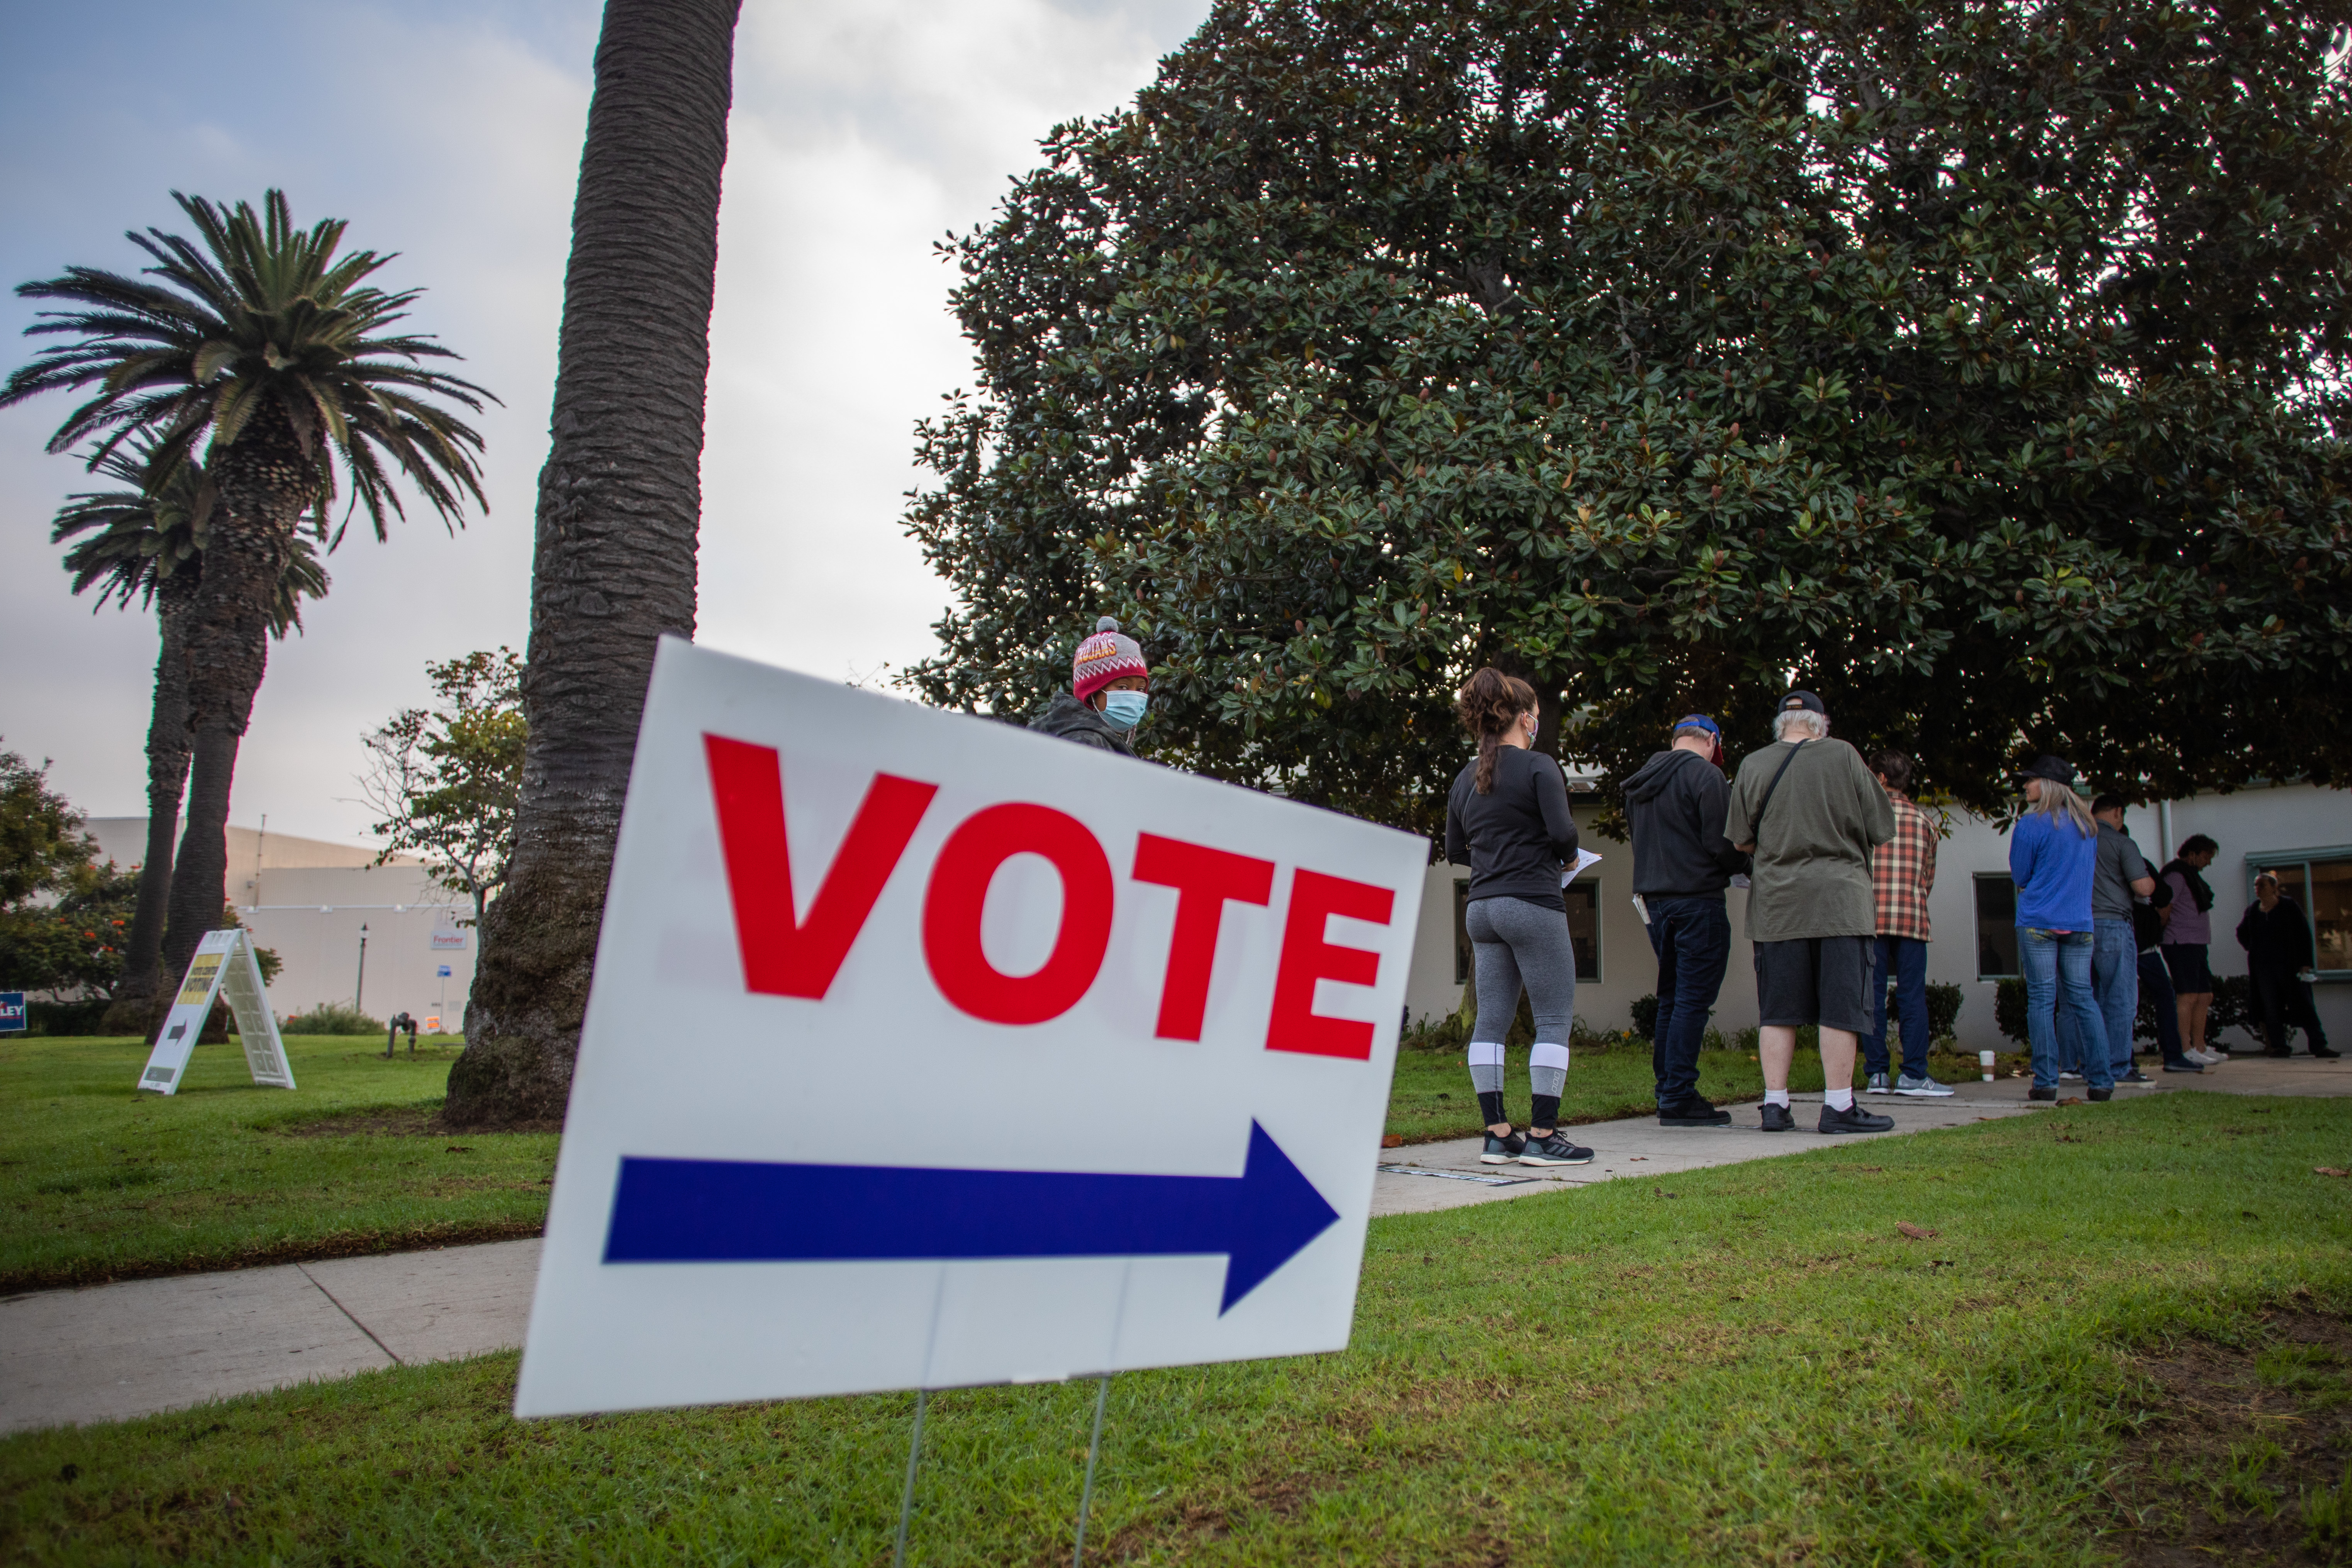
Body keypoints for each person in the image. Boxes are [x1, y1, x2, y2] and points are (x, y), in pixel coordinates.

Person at [1723, 691, 1897, 1135]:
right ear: (1821, 721)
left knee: (1777, 1009)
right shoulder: (1844, 755)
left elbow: (1740, 839)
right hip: (1841, 901)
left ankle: (1774, 1105)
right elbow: (1882, 827)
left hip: (1777, 905)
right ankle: (1838, 1106)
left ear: (1780, 722)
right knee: (1841, 1007)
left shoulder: (1754, 764)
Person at [1445, 668, 1594, 1168]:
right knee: (1552, 1018)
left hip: (1481, 910)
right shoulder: (1538, 766)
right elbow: (1562, 835)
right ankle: (1543, 1135)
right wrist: (1568, 862)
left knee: (1490, 1021)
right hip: (1531, 903)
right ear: (1525, 718)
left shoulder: (1465, 777)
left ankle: (1496, 1133)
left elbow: (1453, 849)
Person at [1624, 713, 1749, 1127]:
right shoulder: (1707, 778)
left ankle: (1667, 1088)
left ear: (1675, 738)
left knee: (1671, 997)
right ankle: (1679, 1095)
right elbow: (1723, 844)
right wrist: (1744, 861)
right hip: (1698, 900)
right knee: (1693, 999)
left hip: (1655, 903)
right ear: (1712, 741)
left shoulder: (1640, 782)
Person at [2011, 756, 2110, 1102]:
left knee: (2041, 999)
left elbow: (2020, 876)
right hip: (2079, 923)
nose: (2025, 786)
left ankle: (2046, 1081)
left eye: (2030, 780)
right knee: (2083, 998)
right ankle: (2100, 1081)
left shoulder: (2029, 825)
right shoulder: (2087, 827)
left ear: (2047, 784)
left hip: (2038, 920)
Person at [1862, 751, 1952, 1097]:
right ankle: (1914, 1074)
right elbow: (1927, 879)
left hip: (1868, 919)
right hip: (1911, 920)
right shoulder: (1925, 821)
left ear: (1881, 779)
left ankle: (1877, 1075)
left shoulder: (1865, 818)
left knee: (1870, 996)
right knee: (1912, 997)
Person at [2088, 795, 2159, 1087]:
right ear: (2118, 812)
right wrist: (2151, 883)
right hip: (2114, 924)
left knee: (2085, 999)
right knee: (2120, 998)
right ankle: (2117, 1065)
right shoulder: (2122, 843)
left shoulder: (2079, 840)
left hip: (2078, 926)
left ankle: (2091, 1065)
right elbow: (2142, 886)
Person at [2237, 873, 2339, 1058]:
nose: (2258, 889)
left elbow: (2303, 934)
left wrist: (2305, 963)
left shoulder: (2288, 907)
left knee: (2304, 1005)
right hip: (2264, 969)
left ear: (2274, 888)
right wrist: (2253, 949)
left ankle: (2319, 1045)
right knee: (2271, 1008)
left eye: (2263, 885)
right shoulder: (2253, 911)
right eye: (2256, 886)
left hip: (2289, 966)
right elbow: (2242, 932)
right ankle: (2279, 1046)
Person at [1030, 616, 1150, 755]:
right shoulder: (1085, 743)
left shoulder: (1095, 738)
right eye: (1123, 687)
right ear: (1092, 693)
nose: (1134, 696)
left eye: (1141, 689)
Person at [2159, 834, 2223, 1065]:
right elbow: (2165, 905)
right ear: (2193, 854)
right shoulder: (2177, 875)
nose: (2208, 862)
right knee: (2188, 995)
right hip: (2180, 942)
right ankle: (2185, 1048)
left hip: (2197, 942)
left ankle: (2200, 1046)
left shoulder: (2192, 876)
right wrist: (2161, 931)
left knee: (2205, 995)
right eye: (2206, 856)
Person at [2133, 871, 2199, 1073]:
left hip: (2114, 935)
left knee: (2115, 1000)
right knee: (2163, 995)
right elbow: (2163, 894)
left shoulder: (2093, 856)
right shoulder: (2134, 860)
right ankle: (2172, 1054)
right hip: (2141, 941)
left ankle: (2118, 1061)